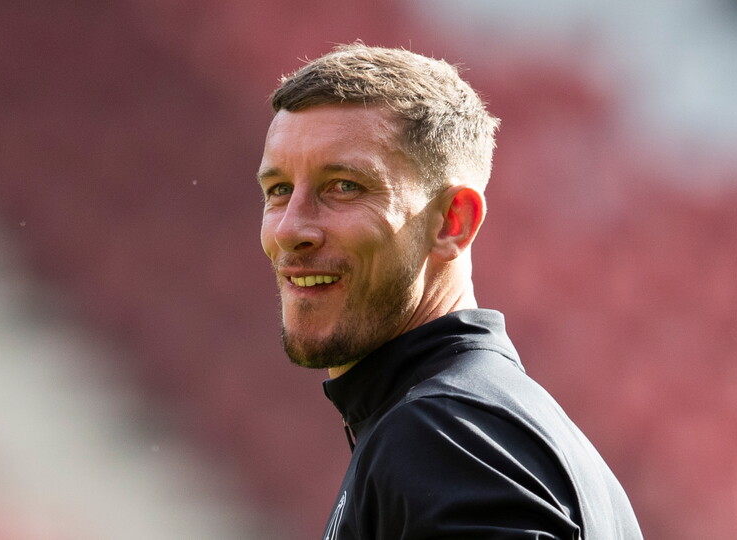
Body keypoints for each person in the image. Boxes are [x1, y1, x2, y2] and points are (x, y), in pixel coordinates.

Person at [257, 43, 644, 540]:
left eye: (344, 186)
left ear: (452, 222)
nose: (290, 230)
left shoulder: (444, 435)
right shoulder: (478, 423)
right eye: (278, 190)